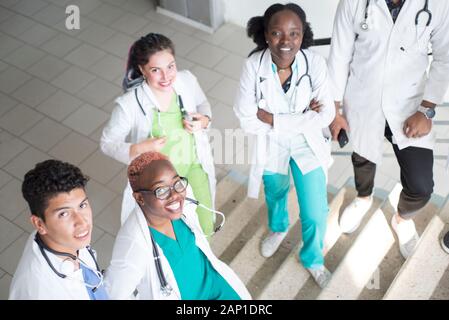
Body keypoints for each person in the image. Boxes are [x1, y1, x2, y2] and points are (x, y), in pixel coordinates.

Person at [328, 0, 449, 259]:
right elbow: (339, 53)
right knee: (362, 157)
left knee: (421, 185)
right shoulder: (353, 2)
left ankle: (402, 219)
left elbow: (444, 57)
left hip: (409, 106)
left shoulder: (438, 4)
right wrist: (335, 110)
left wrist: (426, 109)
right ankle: (363, 199)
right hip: (363, 98)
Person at [234, 3, 335, 288]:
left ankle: (313, 258)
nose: (286, 41)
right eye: (277, 33)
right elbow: (245, 118)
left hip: (307, 144)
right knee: (276, 192)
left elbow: (326, 114)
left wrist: (272, 118)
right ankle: (278, 229)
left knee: (315, 210)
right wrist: (303, 117)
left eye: (294, 33)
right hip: (271, 145)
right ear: (266, 35)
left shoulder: (314, 63)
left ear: (303, 36)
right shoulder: (253, 66)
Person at [100, 33, 216, 237]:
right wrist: (140, 148)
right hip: (159, 183)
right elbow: (107, 143)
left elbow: (202, 104)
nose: (166, 77)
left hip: (194, 166)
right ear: (142, 70)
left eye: (170, 66)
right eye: (156, 70)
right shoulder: (128, 105)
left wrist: (204, 120)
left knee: (206, 222)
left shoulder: (186, 80)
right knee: (173, 230)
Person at [104, 152, 251, 300]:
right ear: (140, 198)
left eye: (176, 183)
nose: (174, 195)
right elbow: (112, 295)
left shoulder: (181, 200)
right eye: (161, 190)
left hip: (217, 286)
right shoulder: (133, 245)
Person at [9, 160, 108, 300]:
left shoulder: (63, 239)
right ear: (39, 224)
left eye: (82, 205)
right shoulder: (39, 291)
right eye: (64, 214)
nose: (82, 222)